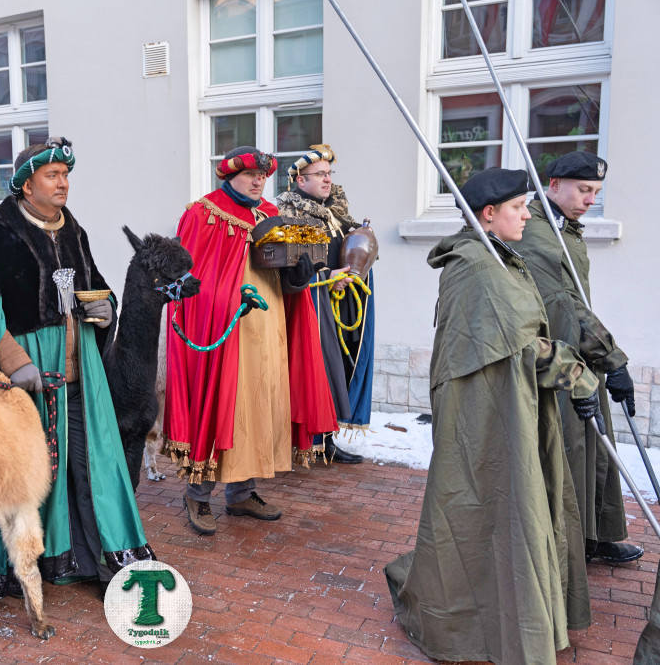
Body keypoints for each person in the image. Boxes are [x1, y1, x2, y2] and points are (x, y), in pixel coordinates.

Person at [385, 168, 597, 663]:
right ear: (488, 215)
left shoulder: (492, 255)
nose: (527, 215)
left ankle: (497, 606)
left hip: (499, 405)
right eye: (519, 208)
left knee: (491, 507)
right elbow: (528, 345)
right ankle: (482, 620)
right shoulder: (481, 267)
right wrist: (579, 378)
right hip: (487, 414)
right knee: (494, 506)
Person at [0, 137, 153, 598]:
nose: (63, 183)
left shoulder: (73, 230)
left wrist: (105, 308)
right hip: (29, 367)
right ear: (26, 186)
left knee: (90, 463)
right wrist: (12, 358)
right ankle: (4, 562)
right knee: (24, 468)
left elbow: (96, 286)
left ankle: (90, 556)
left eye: (66, 175)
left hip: (78, 362)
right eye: (52, 176)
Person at [163, 146, 337, 536]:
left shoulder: (271, 216)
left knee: (261, 405)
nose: (259, 181)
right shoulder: (203, 213)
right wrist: (225, 300)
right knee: (224, 404)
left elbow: (287, 278)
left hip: (270, 325)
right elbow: (187, 282)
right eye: (250, 175)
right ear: (228, 176)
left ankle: (242, 493)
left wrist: (299, 276)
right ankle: (199, 493)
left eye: (264, 175)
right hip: (225, 329)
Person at [510, 151, 641, 565]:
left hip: (580, 350)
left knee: (594, 447)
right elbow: (564, 304)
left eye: (596, 192)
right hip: (556, 357)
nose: (590, 199)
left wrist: (605, 359)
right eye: (584, 190)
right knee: (567, 449)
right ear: (553, 185)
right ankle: (571, 544)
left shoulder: (565, 227)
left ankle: (595, 534)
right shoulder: (535, 232)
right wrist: (612, 358)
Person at [276, 144, 371, 464]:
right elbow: (298, 264)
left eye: (329, 174)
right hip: (311, 305)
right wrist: (330, 276)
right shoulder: (292, 214)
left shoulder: (337, 213)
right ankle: (310, 441)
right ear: (300, 181)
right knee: (317, 370)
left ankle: (328, 439)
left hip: (338, 301)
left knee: (338, 369)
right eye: (320, 175)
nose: (327, 180)